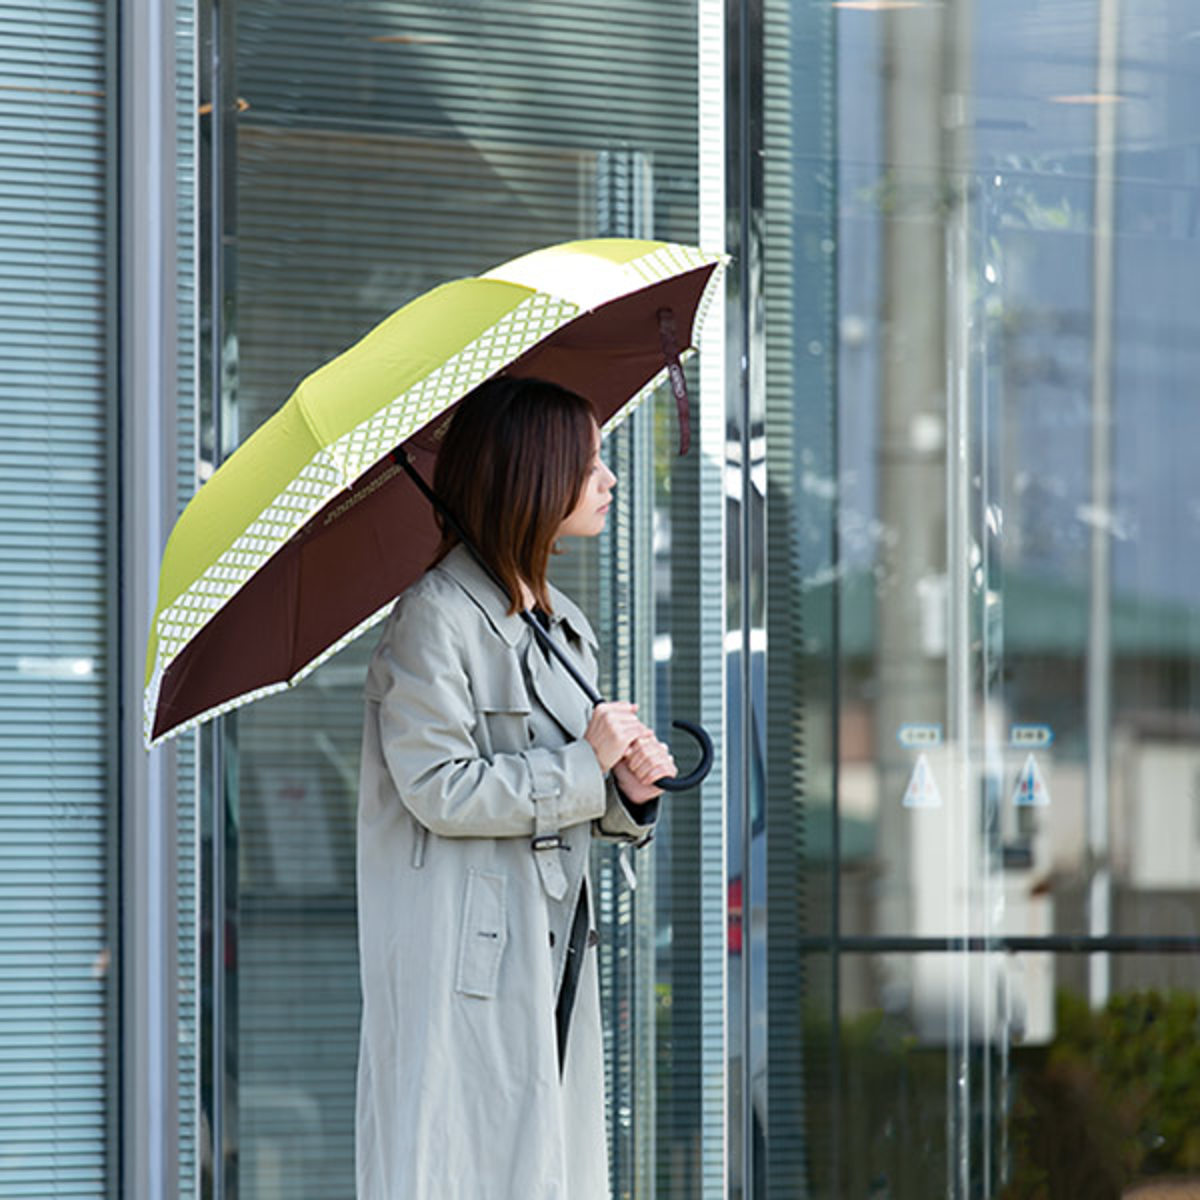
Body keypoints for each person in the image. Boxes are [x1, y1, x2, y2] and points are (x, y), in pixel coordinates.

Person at [355, 375, 676, 1199]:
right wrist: (585, 763)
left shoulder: (561, 622)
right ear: (532, 476)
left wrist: (627, 792)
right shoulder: (434, 618)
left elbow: (568, 800)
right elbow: (439, 787)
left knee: (552, 1169)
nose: (608, 480)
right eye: (589, 462)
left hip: (552, 946)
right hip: (467, 963)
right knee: (470, 1169)